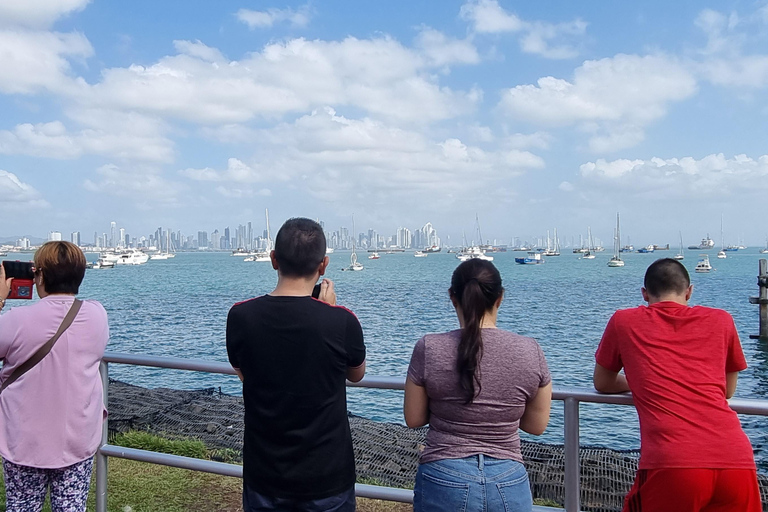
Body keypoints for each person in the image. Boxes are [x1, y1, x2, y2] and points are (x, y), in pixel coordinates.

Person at [593, 258, 760, 512]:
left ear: (644, 294)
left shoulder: (624, 321)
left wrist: (641, 380)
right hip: (736, 461)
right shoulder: (722, 320)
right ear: (689, 291)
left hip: (674, 461)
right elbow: (727, 390)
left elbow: (602, 382)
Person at [226, 218, 366, 512]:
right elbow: (356, 374)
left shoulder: (240, 317)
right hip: (327, 475)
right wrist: (328, 311)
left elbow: (244, 374)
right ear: (324, 265)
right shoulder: (342, 321)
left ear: (273, 259)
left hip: (264, 473)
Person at [404, 259, 552, 512]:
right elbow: (536, 426)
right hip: (508, 477)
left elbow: (414, 418)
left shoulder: (429, 347)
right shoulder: (530, 350)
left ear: (453, 297)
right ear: (500, 298)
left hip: (443, 474)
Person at [0, 241, 108, 512]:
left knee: (22, 506)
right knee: (71, 507)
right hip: (77, 436)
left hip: (23, 439)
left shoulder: (16, 320)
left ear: (39, 276)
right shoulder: (97, 315)